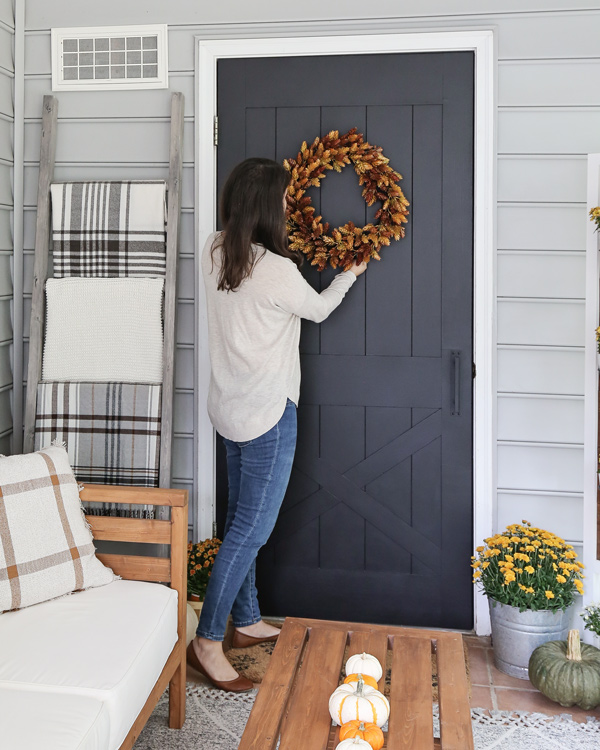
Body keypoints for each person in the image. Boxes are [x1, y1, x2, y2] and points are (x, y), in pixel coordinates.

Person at [187, 157, 367, 691]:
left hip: (227, 409)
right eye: (286, 198)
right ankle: (208, 639)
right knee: (250, 530)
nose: (291, 205)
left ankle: (246, 620)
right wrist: (347, 276)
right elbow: (317, 311)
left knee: (241, 521)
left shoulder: (214, 250)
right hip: (267, 413)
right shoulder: (278, 271)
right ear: (269, 204)